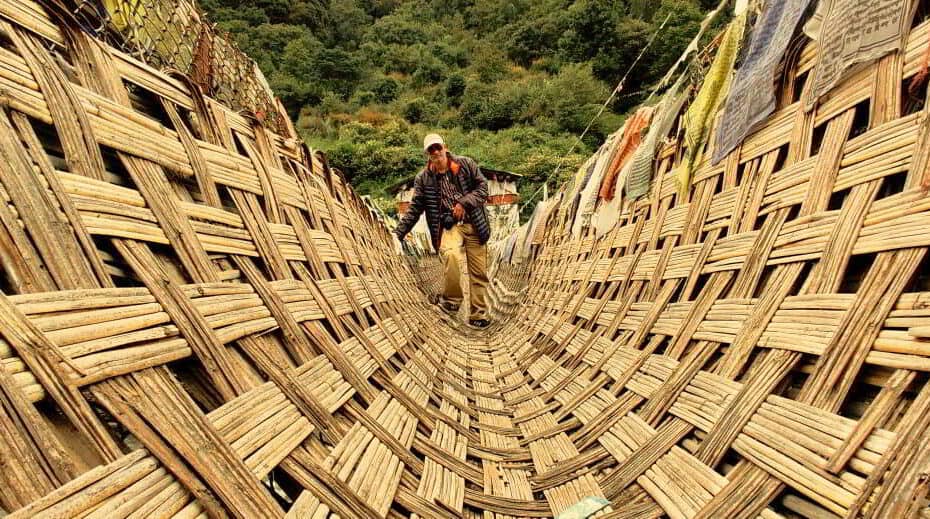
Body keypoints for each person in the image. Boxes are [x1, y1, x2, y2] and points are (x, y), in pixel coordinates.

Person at [394, 133, 492, 328]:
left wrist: (464, 203)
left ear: (445, 147)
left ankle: (478, 314)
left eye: (438, 147)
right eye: (431, 150)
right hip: (450, 226)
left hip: (474, 223)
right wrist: (398, 234)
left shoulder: (466, 165)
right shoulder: (423, 179)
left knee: (478, 272)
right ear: (427, 155)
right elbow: (415, 209)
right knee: (450, 254)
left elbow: (483, 189)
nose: (436, 152)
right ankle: (453, 301)